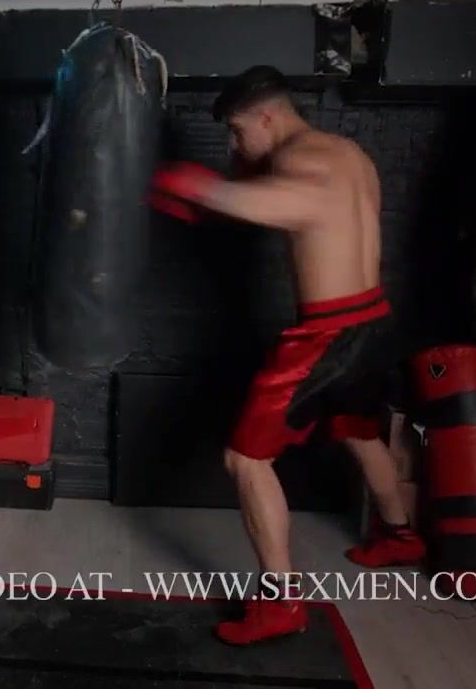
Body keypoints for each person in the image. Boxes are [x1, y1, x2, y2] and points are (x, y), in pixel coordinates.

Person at [149, 65, 426, 644]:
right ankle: (400, 536)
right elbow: (269, 206)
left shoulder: (304, 166)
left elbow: (269, 204)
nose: (233, 145)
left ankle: (280, 602)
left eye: (236, 131)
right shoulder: (348, 154)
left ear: (268, 117)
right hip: (373, 318)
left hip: (327, 335)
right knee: (358, 430)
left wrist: (174, 183)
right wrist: (214, 196)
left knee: (245, 460)